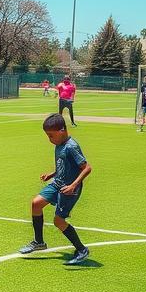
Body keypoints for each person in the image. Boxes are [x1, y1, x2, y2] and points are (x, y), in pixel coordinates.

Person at [17, 113, 92, 266]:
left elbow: (87, 168)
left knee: (58, 221)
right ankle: (39, 242)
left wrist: (73, 186)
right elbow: (63, 165)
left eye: (51, 135)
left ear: (62, 130)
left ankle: (82, 250)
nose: (49, 139)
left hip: (68, 188)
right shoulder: (59, 144)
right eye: (47, 136)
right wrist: (51, 174)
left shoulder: (71, 146)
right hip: (57, 183)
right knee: (36, 204)